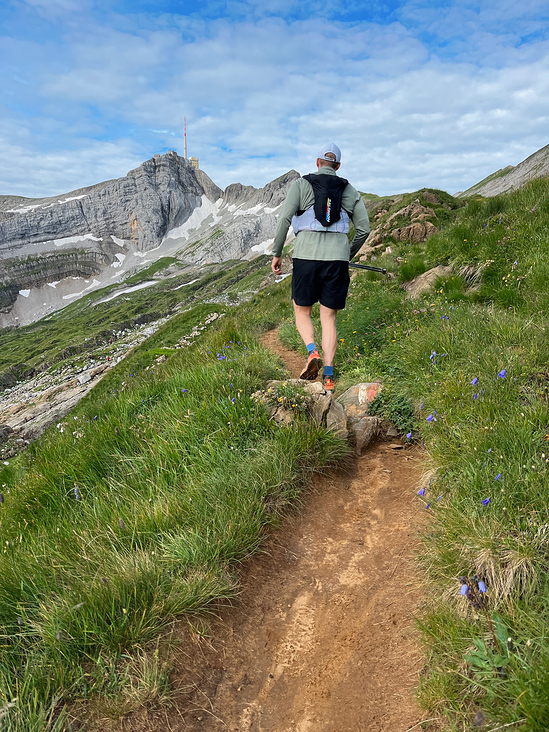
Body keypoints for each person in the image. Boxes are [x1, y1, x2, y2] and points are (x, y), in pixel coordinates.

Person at [271, 142, 370, 390]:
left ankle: (311, 351)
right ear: (337, 166)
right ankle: (328, 376)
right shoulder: (349, 190)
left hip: (306, 256)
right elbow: (364, 229)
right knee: (329, 318)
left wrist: (277, 253)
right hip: (336, 259)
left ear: (317, 163)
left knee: (302, 311)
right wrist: (346, 254)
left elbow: (284, 218)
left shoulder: (301, 185)